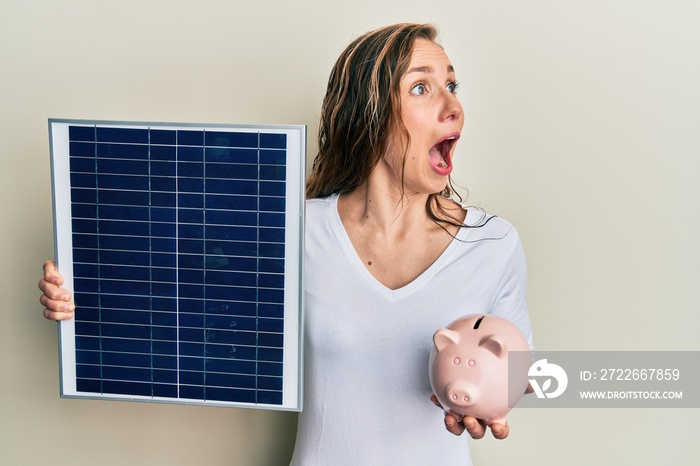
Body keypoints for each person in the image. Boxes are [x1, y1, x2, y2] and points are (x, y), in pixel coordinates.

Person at [39, 23, 534, 465]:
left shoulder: (494, 244)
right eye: (422, 87)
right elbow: (185, 311)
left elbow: (526, 371)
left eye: (452, 84)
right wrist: (86, 300)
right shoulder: (294, 229)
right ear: (371, 114)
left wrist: (500, 397)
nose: (453, 105)